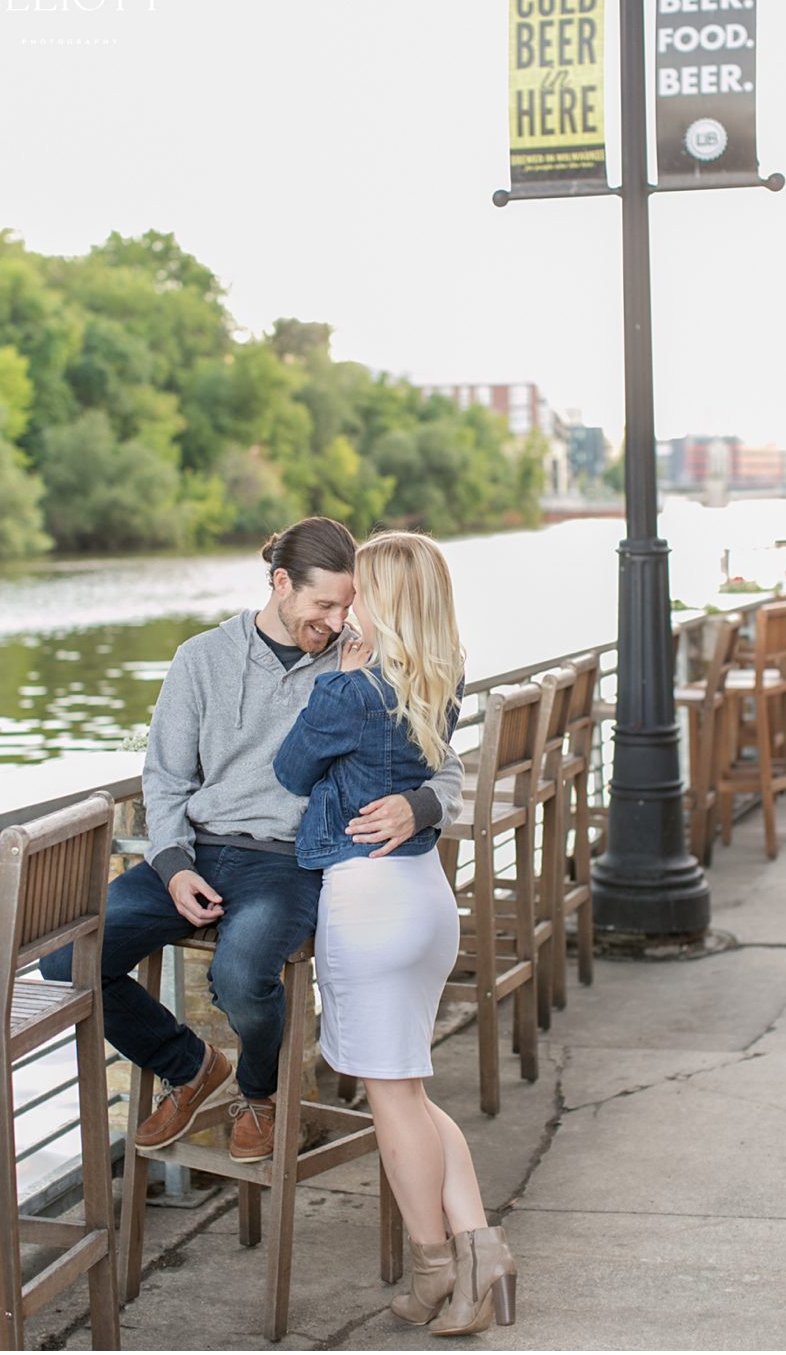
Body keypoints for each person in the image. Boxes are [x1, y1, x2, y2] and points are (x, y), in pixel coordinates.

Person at [41, 517, 462, 1167]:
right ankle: (189, 1066)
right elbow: (166, 778)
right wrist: (174, 865)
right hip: (199, 850)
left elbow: (441, 756)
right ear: (281, 582)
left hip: (288, 863)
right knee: (67, 962)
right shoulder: (201, 658)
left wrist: (422, 804)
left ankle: (258, 1093)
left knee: (240, 978)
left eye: (347, 606)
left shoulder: (361, 660)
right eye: (323, 605)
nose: (336, 622)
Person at [272, 530, 516, 1336]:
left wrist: (337, 678)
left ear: (383, 602)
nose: (348, 608)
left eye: (359, 594)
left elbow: (290, 770)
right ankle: (480, 1252)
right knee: (408, 1091)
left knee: (393, 1101)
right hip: (425, 899)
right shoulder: (439, 676)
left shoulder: (351, 690)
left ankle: (435, 1266)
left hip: (368, 903)